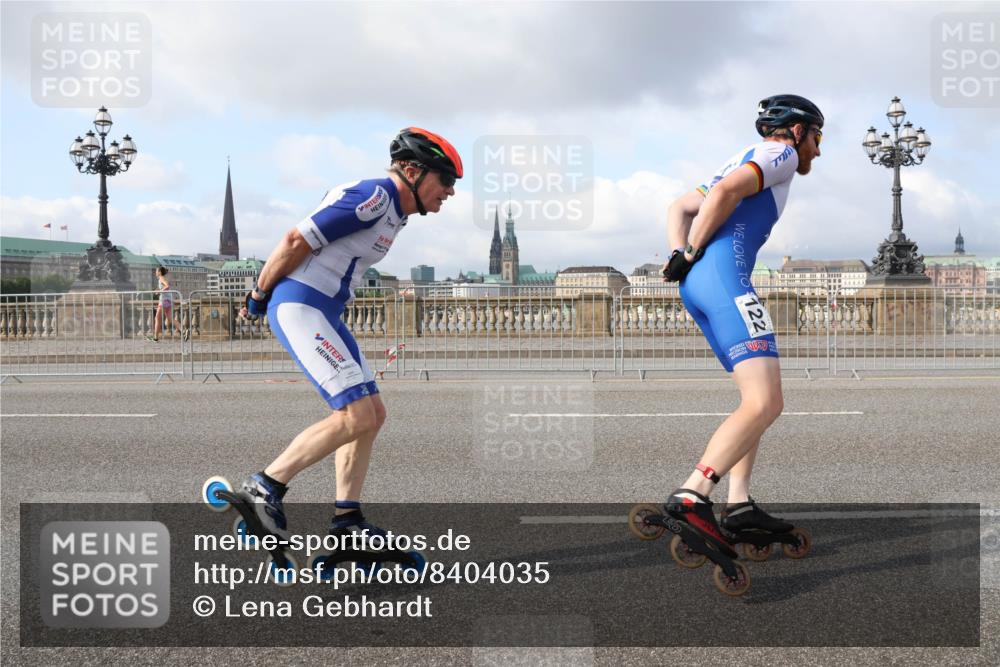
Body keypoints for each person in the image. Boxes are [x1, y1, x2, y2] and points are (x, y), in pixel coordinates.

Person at [235, 127, 462, 542]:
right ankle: (264, 487)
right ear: (413, 170)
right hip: (301, 305)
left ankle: (346, 520)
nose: (449, 191)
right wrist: (259, 292)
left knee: (372, 416)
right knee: (354, 415)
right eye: (445, 180)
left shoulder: (396, 211)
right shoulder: (374, 198)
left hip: (327, 311)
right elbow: (295, 238)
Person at [660, 95, 823, 555]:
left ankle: (739, 504)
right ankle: (694, 494)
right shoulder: (781, 154)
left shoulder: (739, 156)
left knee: (756, 401)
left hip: (699, 286)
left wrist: (679, 253)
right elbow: (730, 192)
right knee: (767, 401)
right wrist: (691, 250)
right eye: (817, 137)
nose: (817, 149)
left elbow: (678, 206)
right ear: (796, 130)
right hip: (725, 279)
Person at [147, 266, 183, 342]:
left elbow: (167, 286)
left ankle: (155, 338)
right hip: (168, 300)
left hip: (164, 301)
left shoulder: (161, 278)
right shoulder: (162, 278)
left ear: (159, 272)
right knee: (170, 319)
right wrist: (158, 290)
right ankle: (183, 330)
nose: (155, 272)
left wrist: (159, 291)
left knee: (157, 318)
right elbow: (165, 287)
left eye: (156, 271)